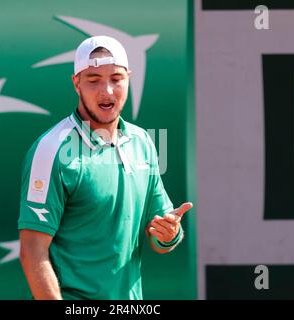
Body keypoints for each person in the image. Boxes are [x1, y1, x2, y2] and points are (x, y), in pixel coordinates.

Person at [18, 35, 193, 300]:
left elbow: (158, 233)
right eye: (94, 80)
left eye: (116, 78)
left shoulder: (143, 142)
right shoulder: (50, 150)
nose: (107, 91)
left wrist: (169, 233)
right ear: (76, 83)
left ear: (128, 79)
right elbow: (32, 253)